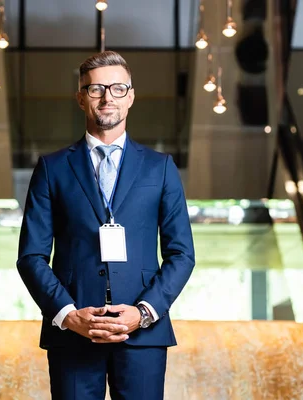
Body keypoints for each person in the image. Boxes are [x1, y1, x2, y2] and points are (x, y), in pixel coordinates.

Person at [17, 50, 195, 400]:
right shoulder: (51, 168)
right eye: (95, 89)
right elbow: (31, 257)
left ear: (130, 96)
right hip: (75, 331)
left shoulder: (160, 168)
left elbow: (181, 254)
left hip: (143, 333)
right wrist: (68, 315)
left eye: (117, 88)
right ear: (81, 98)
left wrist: (144, 313)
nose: (106, 97)